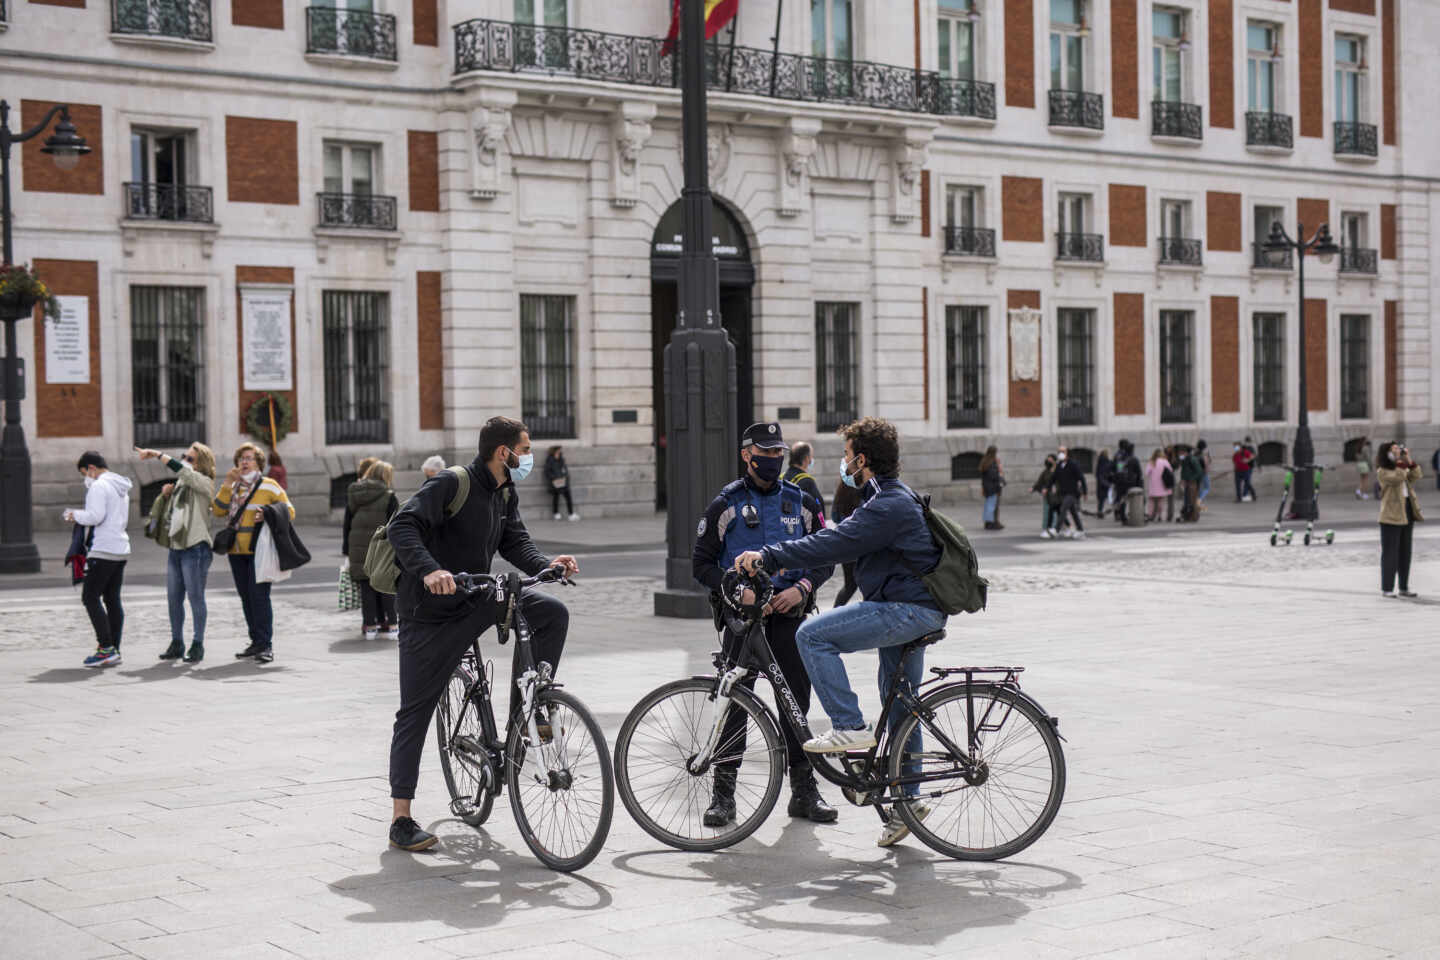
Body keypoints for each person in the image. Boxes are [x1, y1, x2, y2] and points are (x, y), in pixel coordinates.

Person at [734, 417, 946, 849]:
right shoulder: (885, 497)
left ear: (862, 459)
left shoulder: (887, 505)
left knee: (811, 635)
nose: (844, 463)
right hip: (915, 607)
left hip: (906, 610)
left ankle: (849, 725)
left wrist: (770, 557)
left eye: (848, 455)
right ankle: (909, 802)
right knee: (900, 699)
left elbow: (832, 544)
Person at [384, 416, 580, 853]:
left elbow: (516, 543)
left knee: (550, 612)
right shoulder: (454, 483)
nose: (528, 456)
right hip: (428, 614)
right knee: (414, 712)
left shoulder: (503, 491)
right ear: (502, 452)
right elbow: (403, 526)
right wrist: (432, 570)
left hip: (473, 598)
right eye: (524, 449)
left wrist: (547, 565)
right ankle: (401, 819)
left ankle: (523, 715)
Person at [692, 421, 836, 827]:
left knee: (796, 706)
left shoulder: (802, 501)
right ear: (746, 455)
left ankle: (804, 791)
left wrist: (803, 589)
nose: (773, 459)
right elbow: (701, 563)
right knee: (734, 705)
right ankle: (724, 794)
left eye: (779, 453)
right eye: (765, 452)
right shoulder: (727, 504)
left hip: (789, 617)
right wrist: (736, 589)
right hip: (743, 623)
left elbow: (825, 556)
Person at [212, 442, 294, 664]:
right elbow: (218, 510)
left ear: (258, 463)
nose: (244, 462)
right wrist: (228, 484)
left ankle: (266, 645)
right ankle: (255, 642)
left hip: (260, 551)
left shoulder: (269, 485)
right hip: (236, 551)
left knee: (259, 597)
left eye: (249, 458)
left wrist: (267, 513)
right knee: (246, 598)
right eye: (241, 459)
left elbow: (289, 511)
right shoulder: (233, 486)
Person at [137, 443, 216, 662]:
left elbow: (184, 472)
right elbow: (174, 515)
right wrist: (165, 496)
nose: (185, 461)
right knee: (174, 599)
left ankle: (198, 643)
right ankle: (177, 642)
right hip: (176, 549)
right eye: (184, 456)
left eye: (190, 459)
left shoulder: (204, 482)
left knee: (196, 598)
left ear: (201, 463)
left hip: (196, 549)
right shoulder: (182, 484)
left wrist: (157, 454)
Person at [64, 451, 133, 668]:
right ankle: (114, 648)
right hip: (120, 548)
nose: (86, 478)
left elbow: (95, 516)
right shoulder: (119, 486)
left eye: (85, 473)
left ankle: (105, 648)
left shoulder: (99, 486)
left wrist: (73, 514)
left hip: (103, 549)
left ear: (91, 468)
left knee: (90, 597)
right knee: (112, 599)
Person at [343, 460, 400, 640]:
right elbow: (395, 525)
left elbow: (347, 522)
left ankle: (370, 627)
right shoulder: (389, 496)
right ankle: (391, 625)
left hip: (357, 546)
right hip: (381, 546)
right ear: (385, 476)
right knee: (385, 584)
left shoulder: (354, 493)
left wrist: (346, 548)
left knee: (366, 586)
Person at [1376, 441, 1423, 599]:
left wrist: (1408, 460)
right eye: (1394, 450)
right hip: (1391, 516)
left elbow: (1416, 474)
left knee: (1405, 552)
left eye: (1398, 449)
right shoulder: (1383, 471)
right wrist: (1400, 462)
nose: (1397, 452)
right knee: (1390, 553)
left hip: (1407, 512)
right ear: (1387, 453)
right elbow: (1398, 477)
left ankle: (1404, 587)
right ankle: (1387, 588)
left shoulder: (1401, 466)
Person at [830, 479, 862, 607]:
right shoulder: (862, 494)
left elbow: (834, 517)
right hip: (861, 546)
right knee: (868, 585)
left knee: (849, 586)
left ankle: (834, 613)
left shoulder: (840, 494)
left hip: (845, 546)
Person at [782, 440, 827, 520]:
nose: (811, 460)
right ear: (806, 458)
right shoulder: (807, 481)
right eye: (811, 456)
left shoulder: (782, 477)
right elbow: (818, 507)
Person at [1049, 446, 1086, 539]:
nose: (1060, 453)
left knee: (1063, 508)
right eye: (1059, 451)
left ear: (1067, 453)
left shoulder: (1073, 464)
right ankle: (1080, 530)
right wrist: (1047, 487)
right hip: (1063, 493)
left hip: (1073, 492)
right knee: (1073, 512)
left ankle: (1056, 530)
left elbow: (1081, 478)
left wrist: (1085, 492)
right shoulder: (1059, 465)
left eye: (1063, 451)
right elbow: (1053, 478)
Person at [543, 445, 580, 521]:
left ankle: (571, 514)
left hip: (563, 481)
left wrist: (566, 476)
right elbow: (547, 471)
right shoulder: (550, 459)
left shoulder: (561, 459)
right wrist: (553, 479)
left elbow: (565, 469)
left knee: (568, 497)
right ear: (555, 450)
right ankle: (556, 513)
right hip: (555, 482)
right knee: (556, 497)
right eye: (559, 450)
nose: (560, 451)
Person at [979, 445, 1004, 530]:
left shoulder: (985, 461)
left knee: (989, 505)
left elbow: (983, 477)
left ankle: (991, 522)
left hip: (987, 487)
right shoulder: (991, 463)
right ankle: (992, 523)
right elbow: (994, 476)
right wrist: (999, 468)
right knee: (992, 505)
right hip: (993, 487)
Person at [1032, 454, 1058, 538]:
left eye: (1050, 460)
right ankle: (1046, 529)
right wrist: (1034, 488)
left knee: (1057, 513)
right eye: (1048, 460)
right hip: (1047, 495)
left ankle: (1054, 528)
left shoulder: (1058, 470)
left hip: (1057, 495)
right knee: (1047, 513)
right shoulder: (1046, 471)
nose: (1048, 461)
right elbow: (1040, 481)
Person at [1145, 448, 1171, 522]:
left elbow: (1146, 473)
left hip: (1153, 485)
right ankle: (1160, 516)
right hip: (1162, 485)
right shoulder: (1164, 462)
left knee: (1151, 501)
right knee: (1161, 501)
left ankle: (1151, 515)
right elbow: (1170, 470)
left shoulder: (1151, 462)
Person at [1094, 448, 1114, 519]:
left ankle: (1100, 512)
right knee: (1108, 499)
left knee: (1101, 500)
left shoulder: (1100, 462)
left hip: (1101, 484)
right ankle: (1102, 512)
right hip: (1105, 483)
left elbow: (1097, 474)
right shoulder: (1107, 462)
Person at [1195, 439, 1212, 509]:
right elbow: (1207, 464)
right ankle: (1199, 500)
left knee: (1200, 488)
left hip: (1197, 473)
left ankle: (1198, 503)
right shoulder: (1204, 454)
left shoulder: (1195, 453)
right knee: (1207, 488)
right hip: (1204, 473)